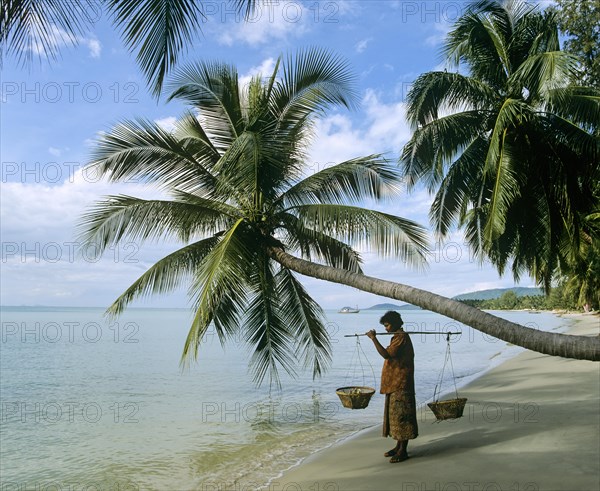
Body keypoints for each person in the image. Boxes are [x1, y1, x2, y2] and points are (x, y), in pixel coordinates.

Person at [366, 310, 418, 463]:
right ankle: (398, 446)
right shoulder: (397, 337)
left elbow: (386, 354)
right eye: (385, 326)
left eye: (387, 325)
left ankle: (403, 450)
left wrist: (373, 339)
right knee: (396, 417)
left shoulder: (401, 337)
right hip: (395, 383)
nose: (386, 329)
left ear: (395, 323)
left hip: (401, 383)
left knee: (402, 416)